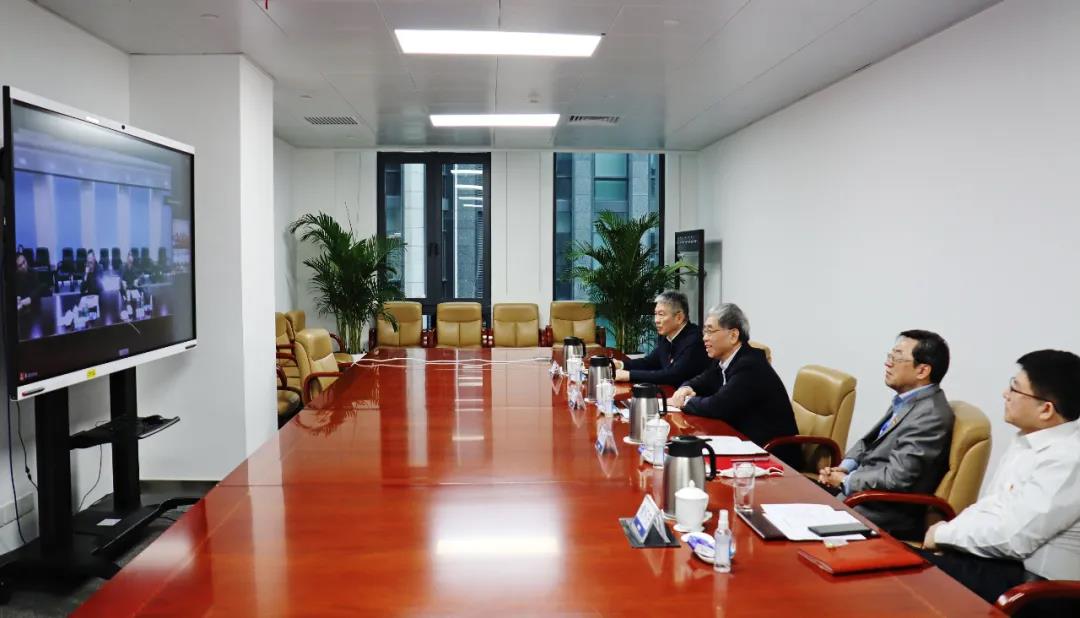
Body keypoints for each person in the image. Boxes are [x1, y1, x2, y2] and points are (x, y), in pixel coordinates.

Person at [919, 350, 1080, 610]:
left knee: (901, 575)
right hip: (999, 566)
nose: (1006, 394)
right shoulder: (1028, 441)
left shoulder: (1068, 459)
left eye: (1015, 388)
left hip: (1034, 591)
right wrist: (947, 536)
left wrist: (943, 535)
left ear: (1045, 409)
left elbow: (1014, 539)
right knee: (893, 561)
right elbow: (991, 509)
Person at [817, 330, 953, 539]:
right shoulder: (909, 400)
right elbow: (869, 442)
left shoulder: (930, 415)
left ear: (922, 370)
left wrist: (847, 481)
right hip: (860, 497)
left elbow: (897, 478)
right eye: (890, 356)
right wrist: (845, 467)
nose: (888, 363)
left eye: (897, 358)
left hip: (880, 513)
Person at [669, 303, 800, 465]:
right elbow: (702, 381)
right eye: (704, 331)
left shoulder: (750, 365)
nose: (704, 338)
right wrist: (686, 388)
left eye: (710, 331)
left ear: (733, 335)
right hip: (743, 443)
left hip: (773, 454)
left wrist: (685, 401)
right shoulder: (724, 360)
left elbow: (717, 406)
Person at [612, 290, 710, 387]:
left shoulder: (695, 340)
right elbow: (649, 362)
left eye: (661, 314)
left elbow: (673, 375)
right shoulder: (666, 337)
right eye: (656, 314)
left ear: (679, 318)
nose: (656, 320)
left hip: (693, 395)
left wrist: (629, 375)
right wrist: (620, 365)